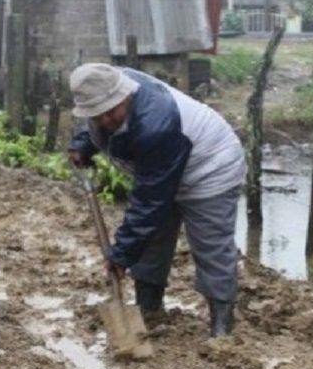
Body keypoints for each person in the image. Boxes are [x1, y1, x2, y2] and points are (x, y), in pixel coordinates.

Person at [67, 63, 246, 337]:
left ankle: (221, 324)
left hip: (209, 167)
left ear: (124, 95)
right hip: (161, 169)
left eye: (110, 112)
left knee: (210, 244)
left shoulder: (156, 124)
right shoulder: (101, 83)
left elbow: (150, 202)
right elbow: (94, 123)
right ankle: (148, 308)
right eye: (97, 115)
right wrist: (83, 144)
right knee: (151, 240)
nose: (105, 120)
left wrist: (121, 254)